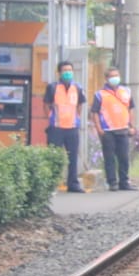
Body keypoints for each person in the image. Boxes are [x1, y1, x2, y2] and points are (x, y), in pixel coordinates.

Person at [90, 66, 137, 191]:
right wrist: (99, 128)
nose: (115, 78)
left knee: (124, 157)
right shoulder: (100, 94)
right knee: (109, 158)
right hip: (108, 130)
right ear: (106, 78)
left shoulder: (126, 91)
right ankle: (112, 182)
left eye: (116, 75)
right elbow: (94, 112)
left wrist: (132, 126)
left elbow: (131, 108)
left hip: (123, 129)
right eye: (112, 76)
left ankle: (124, 182)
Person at [44, 60, 87, 193]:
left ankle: (73, 184)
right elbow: (46, 105)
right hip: (56, 127)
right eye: (65, 70)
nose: (68, 73)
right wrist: (51, 119)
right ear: (59, 73)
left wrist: (76, 119)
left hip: (72, 128)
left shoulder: (78, 88)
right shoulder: (53, 87)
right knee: (54, 157)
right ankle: (51, 184)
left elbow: (79, 105)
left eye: (70, 70)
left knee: (72, 157)